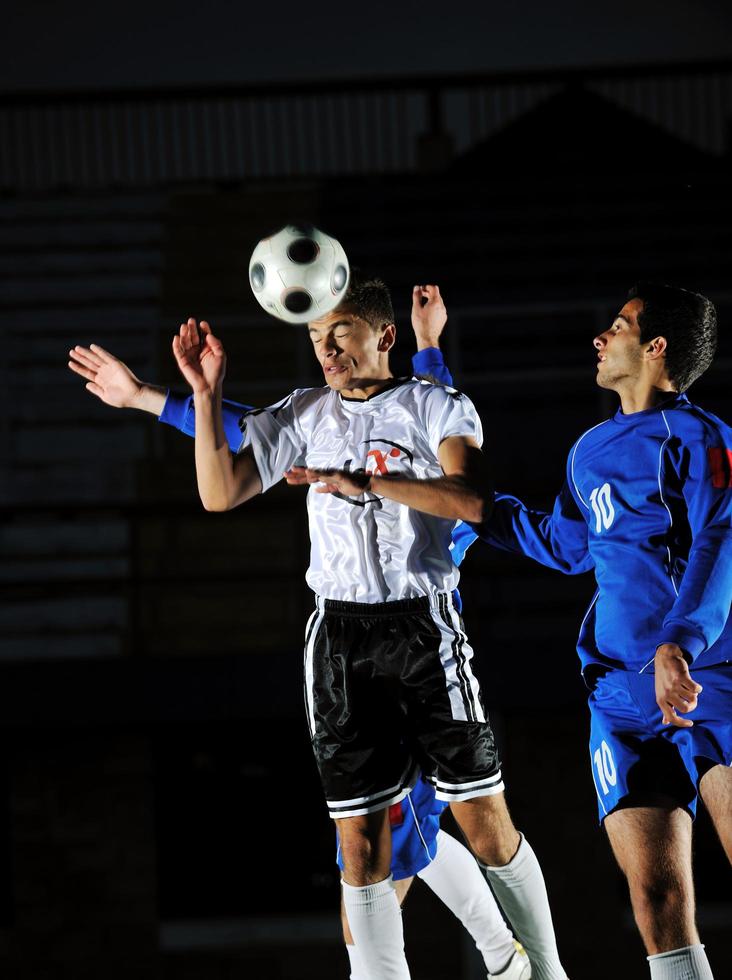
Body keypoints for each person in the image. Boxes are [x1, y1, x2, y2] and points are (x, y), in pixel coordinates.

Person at [68, 293, 532, 980]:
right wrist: (147, 396)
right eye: (316, 334)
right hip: (348, 638)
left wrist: (430, 346)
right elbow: (249, 434)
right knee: (392, 841)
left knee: (386, 852)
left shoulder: (425, 417)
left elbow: (435, 413)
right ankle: (506, 958)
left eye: (340, 330)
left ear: (382, 335)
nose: (326, 347)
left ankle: (516, 960)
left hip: (419, 630)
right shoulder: (321, 411)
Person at [463, 283, 730, 980]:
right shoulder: (589, 450)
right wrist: (471, 513)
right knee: (657, 900)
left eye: (618, 325)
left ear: (655, 347)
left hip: (710, 685)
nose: (600, 337)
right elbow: (571, 545)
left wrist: (682, 643)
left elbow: (720, 541)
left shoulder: (702, 438)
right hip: (621, 700)